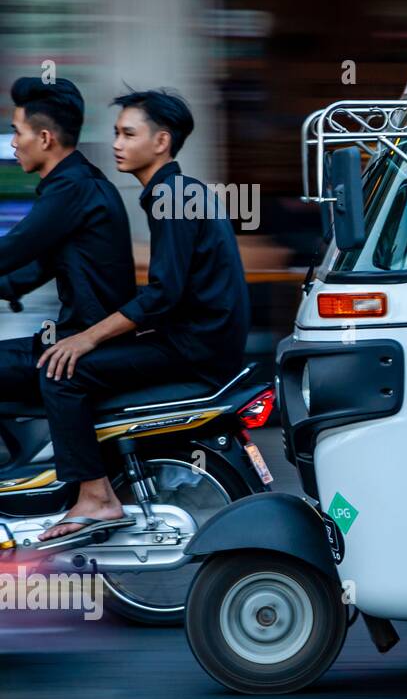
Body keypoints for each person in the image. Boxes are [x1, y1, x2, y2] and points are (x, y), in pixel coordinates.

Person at [33, 88, 250, 542]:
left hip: (192, 350)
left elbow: (162, 295)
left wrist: (87, 337)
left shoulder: (171, 196)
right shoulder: (177, 193)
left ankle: (96, 497)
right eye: (115, 133)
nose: (116, 143)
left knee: (61, 372)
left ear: (161, 142)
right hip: (202, 343)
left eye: (129, 134)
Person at [0, 77, 137, 407]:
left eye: (18, 132)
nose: (13, 143)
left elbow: (14, 247)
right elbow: (36, 267)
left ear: (45, 138)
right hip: (80, 338)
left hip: (87, 346)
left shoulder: (73, 189)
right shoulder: (81, 182)